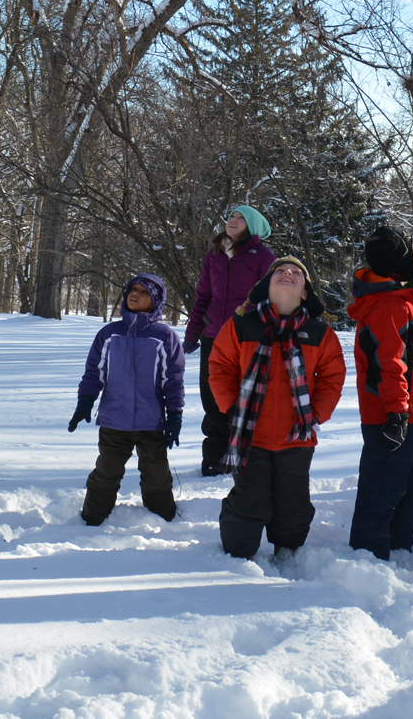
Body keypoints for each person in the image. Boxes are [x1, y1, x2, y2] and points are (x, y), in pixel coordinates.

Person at [207, 257, 346, 561]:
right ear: (265, 287)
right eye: (280, 271)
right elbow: (220, 367)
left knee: (292, 502)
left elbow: (333, 377)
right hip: (249, 434)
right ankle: (237, 555)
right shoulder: (241, 324)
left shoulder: (320, 333)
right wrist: (231, 406)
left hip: (296, 436)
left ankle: (288, 552)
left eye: (296, 272)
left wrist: (317, 414)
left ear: (305, 292)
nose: (287, 273)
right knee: (248, 498)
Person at [347, 227, 413, 561]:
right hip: (392, 414)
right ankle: (367, 556)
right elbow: (391, 364)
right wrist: (397, 412)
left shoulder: (406, 300)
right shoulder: (391, 306)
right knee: (384, 485)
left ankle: (398, 547)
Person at [69, 274, 186, 526]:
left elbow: (173, 380)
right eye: (132, 289)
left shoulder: (163, 337)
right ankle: (92, 520)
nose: (135, 294)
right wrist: (85, 401)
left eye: (143, 292)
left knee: (156, 475)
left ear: (154, 300)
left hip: (151, 423)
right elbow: (94, 372)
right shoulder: (110, 334)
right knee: (106, 473)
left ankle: (163, 520)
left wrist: (175, 415)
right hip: (114, 421)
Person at [186, 205, 277, 476]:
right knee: (212, 398)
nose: (233, 221)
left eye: (240, 218)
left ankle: (245, 460)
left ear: (252, 226)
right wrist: (193, 333)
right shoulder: (214, 253)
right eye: (231, 217)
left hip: (246, 339)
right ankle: (214, 461)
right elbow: (203, 297)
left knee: (241, 398)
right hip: (213, 337)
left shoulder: (263, 256)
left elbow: (270, 299)